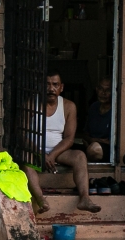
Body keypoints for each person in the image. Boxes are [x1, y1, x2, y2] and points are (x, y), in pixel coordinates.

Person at [22, 70, 100, 214]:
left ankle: (84, 199)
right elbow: (23, 134)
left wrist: (51, 155)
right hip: (34, 151)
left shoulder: (69, 106)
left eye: (55, 85)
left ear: (61, 87)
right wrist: (40, 154)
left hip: (58, 151)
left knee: (80, 156)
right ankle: (40, 199)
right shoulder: (31, 103)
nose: (51, 88)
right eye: (47, 84)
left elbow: (69, 138)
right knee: (26, 160)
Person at [85, 78, 112, 162]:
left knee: (94, 149)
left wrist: (95, 141)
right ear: (96, 89)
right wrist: (93, 140)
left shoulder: (116, 110)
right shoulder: (93, 107)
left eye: (108, 90)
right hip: (90, 145)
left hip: (107, 150)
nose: (103, 93)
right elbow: (85, 135)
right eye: (100, 89)